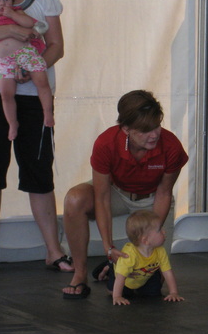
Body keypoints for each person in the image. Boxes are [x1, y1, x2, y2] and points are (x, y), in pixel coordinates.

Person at [0, 0, 72, 276]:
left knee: (38, 170)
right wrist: (14, 30)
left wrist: (30, 69)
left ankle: (53, 250)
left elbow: (56, 46)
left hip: (33, 92)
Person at [61, 90, 188, 299]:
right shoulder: (106, 143)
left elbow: (164, 193)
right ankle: (81, 273)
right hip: (116, 193)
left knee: (152, 279)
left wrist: (150, 235)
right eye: (145, 130)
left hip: (152, 199)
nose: (154, 134)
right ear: (126, 129)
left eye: (156, 126)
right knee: (75, 199)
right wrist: (108, 246)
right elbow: (101, 197)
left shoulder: (171, 145)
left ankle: (116, 266)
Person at [0, 0, 53, 141]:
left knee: (42, 82)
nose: (2, 4)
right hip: (5, 61)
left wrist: (13, 15)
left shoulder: (17, 12)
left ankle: (47, 112)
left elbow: (29, 23)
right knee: (6, 94)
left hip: (26, 53)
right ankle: (12, 123)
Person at [107, 210, 184, 306]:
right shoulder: (129, 255)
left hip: (144, 276)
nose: (164, 231)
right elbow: (120, 277)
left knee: (154, 293)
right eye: (160, 230)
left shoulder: (160, 251)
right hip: (125, 279)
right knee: (113, 292)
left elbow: (167, 272)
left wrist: (173, 292)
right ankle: (109, 266)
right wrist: (117, 296)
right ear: (146, 240)